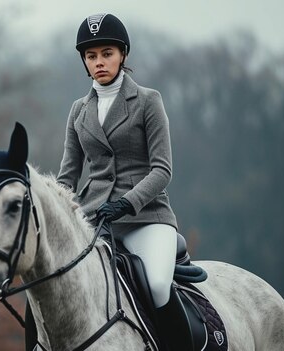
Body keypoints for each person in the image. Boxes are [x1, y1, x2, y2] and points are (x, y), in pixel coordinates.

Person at [55, 13, 194, 351]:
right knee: (52, 285)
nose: (99, 62)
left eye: (106, 53)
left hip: (146, 218)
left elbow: (162, 170)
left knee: (159, 286)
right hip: (95, 221)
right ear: (84, 62)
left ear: (123, 55)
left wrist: (126, 203)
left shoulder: (148, 101)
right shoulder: (78, 111)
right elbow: (67, 177)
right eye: (91, 56)